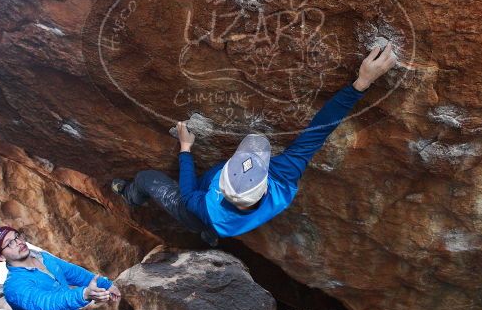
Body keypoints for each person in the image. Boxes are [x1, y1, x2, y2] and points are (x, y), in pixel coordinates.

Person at [112, 42, 398, 244]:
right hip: (224, 221)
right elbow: (319, 129)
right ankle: (211, 236)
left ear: (223, 188)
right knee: (210, 218)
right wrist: (362, 83)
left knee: (147, 178)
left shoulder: (205, 206)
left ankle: (130, 196)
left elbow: (187, 196)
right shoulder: (282, 178)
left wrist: (186, 149)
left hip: (199, 214)